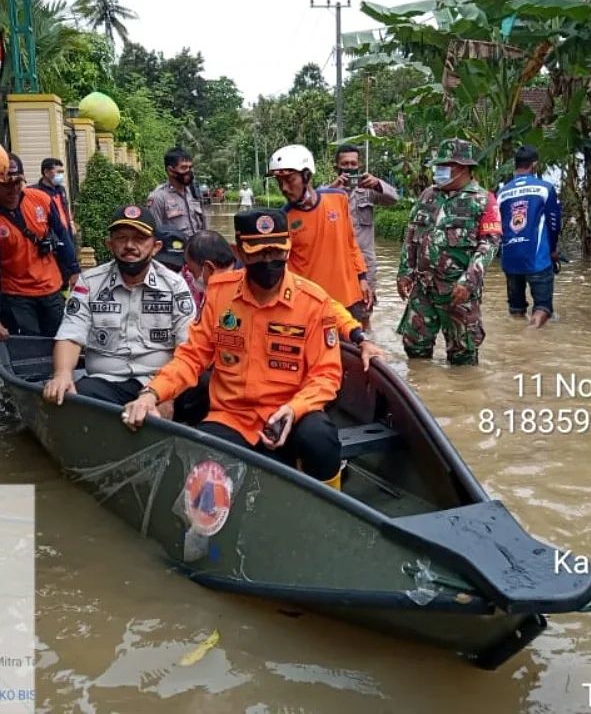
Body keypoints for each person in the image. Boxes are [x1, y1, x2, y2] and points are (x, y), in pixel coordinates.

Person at [123, 208, 344, 490]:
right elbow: (192, 357)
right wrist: (151, 393)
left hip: (289, 415)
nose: (269, 260)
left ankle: (327, 509)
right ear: (241, 251)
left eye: (277, 252)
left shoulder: (314, 301)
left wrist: (294, 408)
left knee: (320, 437)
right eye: (259, 253)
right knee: (199, 461)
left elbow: (326, 375)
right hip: (232, 417)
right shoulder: (220, 292)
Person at [42, 205, 195, 407]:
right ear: (110, 244)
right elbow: (71, 334)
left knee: (202, 388)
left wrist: (162, 393)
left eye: (140, 238)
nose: (130, 245)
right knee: (65, 398)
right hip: (106, 383)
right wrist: (62, 375)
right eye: (121, 238)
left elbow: (187, 348)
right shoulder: (89, 283)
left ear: (156, 247)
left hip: (159, 379)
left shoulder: (174, 285)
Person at [184, 229, 384, 370]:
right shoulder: (215, 294)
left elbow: (330, 308)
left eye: (193, 271)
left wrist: (360, 338)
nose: (191, 277)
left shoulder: (263, 280)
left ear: (208, 268)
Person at [396, 138, 501, 365]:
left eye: (444, 166)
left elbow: (490, 244)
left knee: (462, 356)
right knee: (415, 347)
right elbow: (412, 234)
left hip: (457, 290)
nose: (438, 171)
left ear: (462, 167)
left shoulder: (484, 201)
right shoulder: (428, 196)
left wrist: (469, 281)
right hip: (423, 287)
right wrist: (405, 271)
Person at [267, 144, 372, 320]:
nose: (284, 188)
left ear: (306, 176)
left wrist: (362, 278)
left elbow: (351, 243)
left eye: (290, 180)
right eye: (279, 182)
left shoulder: (338, 198)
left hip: (349, 297)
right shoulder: (283, 219)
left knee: (361, 343)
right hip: (311, 305)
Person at [0, 149, 80, 338]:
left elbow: (62, 235)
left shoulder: (40, 199)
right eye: (5, 185)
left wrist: (75, 271)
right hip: (16, 295)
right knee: (30, 346)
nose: (13, 189)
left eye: (17, 182)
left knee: (62, 339)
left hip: (51, 287)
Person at [330, 143, 398, 323]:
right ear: (336, 166)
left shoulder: (369, 190)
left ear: (359, 165)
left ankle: (365, 345)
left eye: (354, 164)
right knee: (333, 314)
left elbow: (394, 199)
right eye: (345, 164)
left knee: (364, 314)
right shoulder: (327, 192)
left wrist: (378, 184)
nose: (350, 168)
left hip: (365, 264)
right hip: (336, 266)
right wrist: (331, 191)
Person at [497, 145, 561, 328]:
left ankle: (516, 344)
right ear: (534, 165)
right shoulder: (544, 188)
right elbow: (554, 222)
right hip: (536, 257)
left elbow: (498, 225)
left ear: (515, 165)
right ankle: (530, 336)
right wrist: (553, 249)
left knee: (516, 309)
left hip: (510, 258)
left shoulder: (502, 193)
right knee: (543, 308)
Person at [147, 148, 207, 236]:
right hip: (175, 248)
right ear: (171, 170)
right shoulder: (158, 197)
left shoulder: (194, 193)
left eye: (190, 167)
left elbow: (204, 227)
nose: (189, 171)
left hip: (197, 247)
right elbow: (154, 233)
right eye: (184, 167)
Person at [29, 157, 75, 242]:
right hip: (51, 237)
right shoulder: (35, 192)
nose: (61, 175)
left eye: (62, 172)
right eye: (58, 172)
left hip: (66, 234)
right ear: (46, 172)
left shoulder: (61, 190)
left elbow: (64, 210)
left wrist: (71, 223)